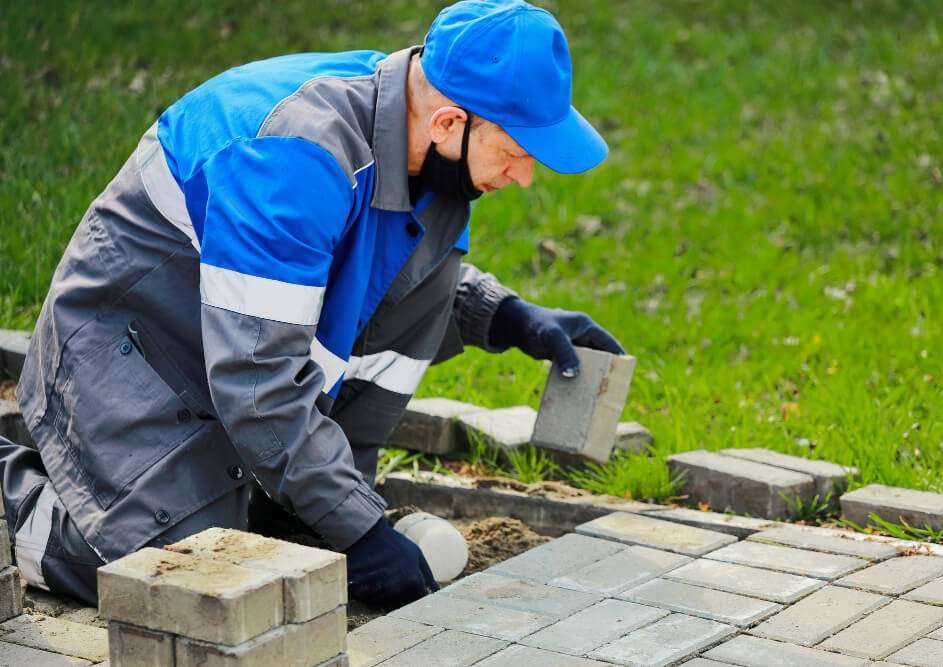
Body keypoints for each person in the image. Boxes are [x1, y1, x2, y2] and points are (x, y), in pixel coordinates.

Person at [0, 0, 623, 609]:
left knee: (265, 554)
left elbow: (383, 274)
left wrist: (504, 316)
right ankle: (14, 497)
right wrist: (364, 532)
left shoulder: (420, 150)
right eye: (515, 153)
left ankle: (303, 502)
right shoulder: (295, 155)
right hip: (124, 351)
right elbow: (258, 381)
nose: (523, 177)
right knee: (181, 575)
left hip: (221, 353)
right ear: (448, 123)